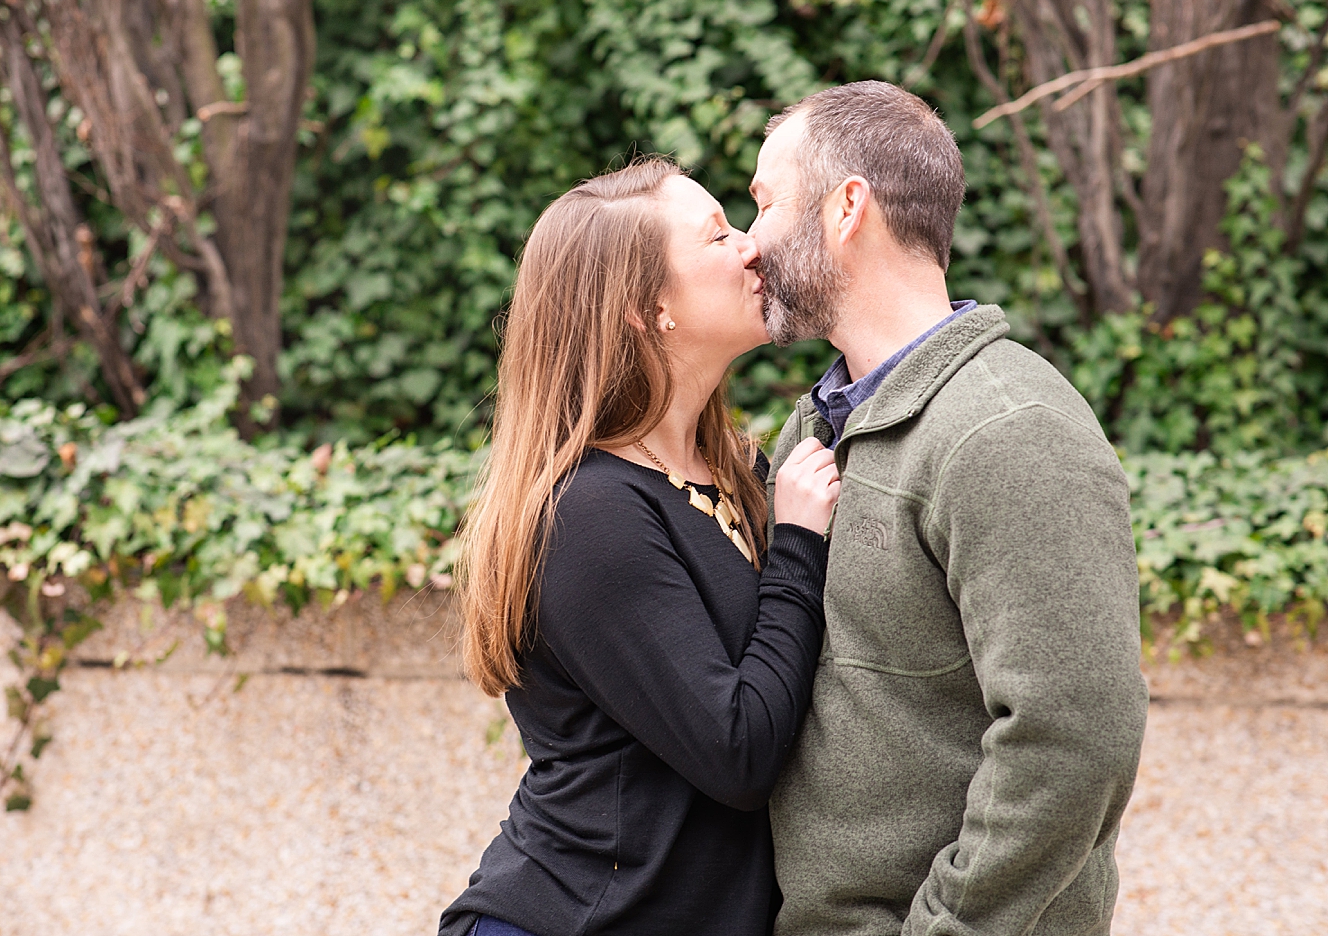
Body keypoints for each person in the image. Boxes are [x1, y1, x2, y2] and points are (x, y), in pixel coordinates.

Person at [749, 80, 1150, 936]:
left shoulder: (1011, 430)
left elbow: (1074, 739)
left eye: (764, 202)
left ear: (846, 207)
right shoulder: (816, 429)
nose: (749, 245)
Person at [440, 158, 843, 936]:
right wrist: (795, 544)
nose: (752, 248)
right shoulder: (588, 515)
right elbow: (739, 751)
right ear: (648, 307)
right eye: (718, 235)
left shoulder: (734, 469)